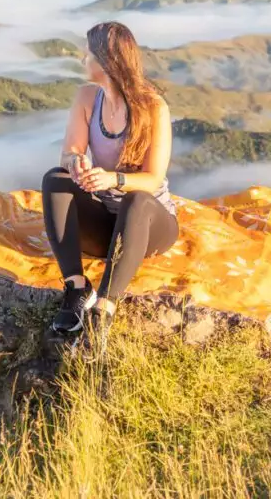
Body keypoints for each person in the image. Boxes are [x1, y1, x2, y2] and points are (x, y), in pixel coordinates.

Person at [41, 20, 179, 358]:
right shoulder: (88, 97)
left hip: (149, 226)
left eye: (88, 55)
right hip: (108, 223)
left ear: (107, 62)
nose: (82, 61)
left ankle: (103, 311)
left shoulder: (153, 107)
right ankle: (77, 288)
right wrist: (77, 165)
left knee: (136, 200)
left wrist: (113, 179)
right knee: (54, 179)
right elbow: (70, 151)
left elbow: (153, 177)